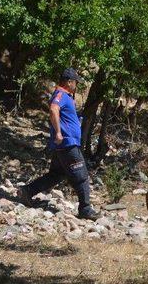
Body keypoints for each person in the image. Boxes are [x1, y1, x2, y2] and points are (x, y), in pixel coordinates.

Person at [17, 68, 100, 220]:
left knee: (56, 175)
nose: (76, 86)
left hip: (65, 144)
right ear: (69, 82)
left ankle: (27, 192)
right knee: (81, 176)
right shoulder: (61, 94)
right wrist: (59, 132)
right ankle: (85, 209)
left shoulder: (66, 96)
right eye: (75, 82)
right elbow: (53, 109)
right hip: (67, 143)